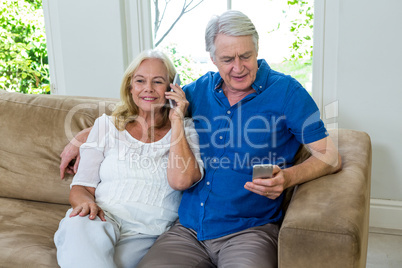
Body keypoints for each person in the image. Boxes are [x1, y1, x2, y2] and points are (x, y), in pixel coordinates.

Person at [60, 10, 341, 268]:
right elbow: (146, 108)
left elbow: (330, 156)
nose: (238, 68)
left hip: (249, 230)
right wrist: (85, 136)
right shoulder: (198, 91)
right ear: (212, 58)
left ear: (257, 50)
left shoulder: (288, 92)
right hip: (187, 230)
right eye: (227, 59)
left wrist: (288, 178)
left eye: (246, 56)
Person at [54, 49, 204, 268]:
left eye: (158, 82)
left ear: (172, 88)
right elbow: (81, 187)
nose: (148, 89)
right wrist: (87, 205)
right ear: (130, 86)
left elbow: (182, 180)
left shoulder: (185, 131)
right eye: (140, 80)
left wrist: (177, 119)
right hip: (100, 220)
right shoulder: (106, 126)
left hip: (146, 234)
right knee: (78, 229)